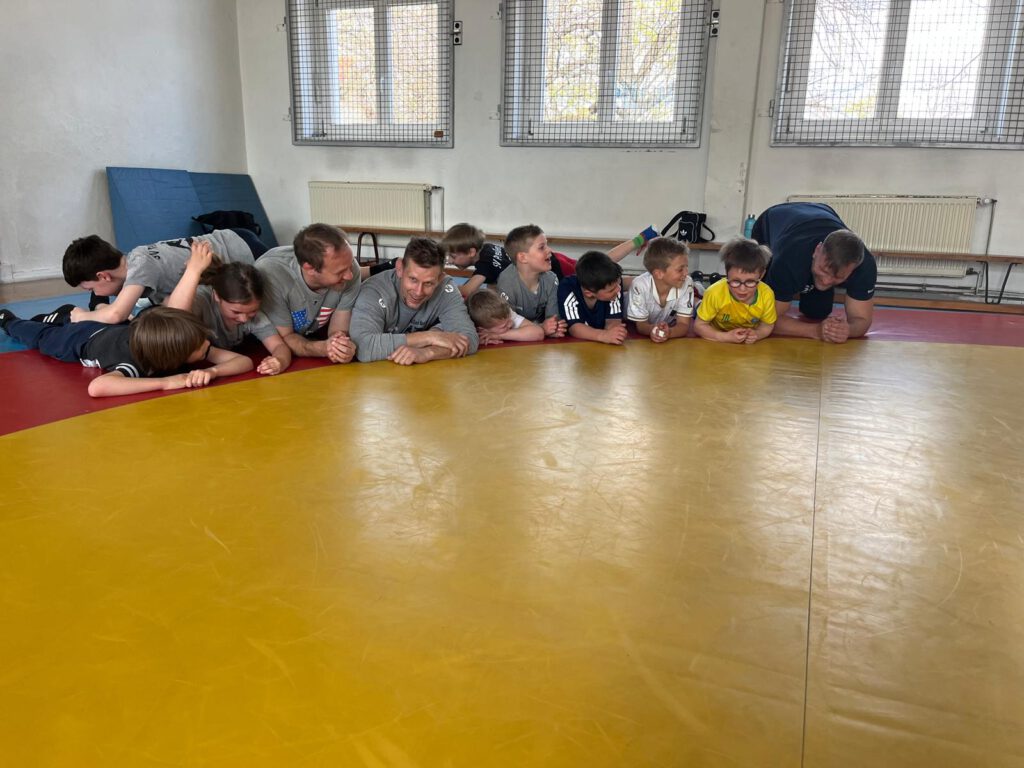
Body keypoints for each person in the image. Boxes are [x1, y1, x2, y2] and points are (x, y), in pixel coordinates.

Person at [0, 305, 253, 398]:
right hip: (77, 340)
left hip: (113, 329)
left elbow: (244, 362)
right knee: (41, 336)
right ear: (177, 355)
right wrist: (166, 382)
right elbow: (97, 387)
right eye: (200, 344)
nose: (207, 344)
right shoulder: (135, 363)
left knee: (76, 319)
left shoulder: (191, 344)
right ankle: (9, 320)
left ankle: (66, 314)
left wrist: (213, 371)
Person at [61, 229, 263, 325]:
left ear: (104, 276)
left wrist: (81, 316)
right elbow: (106, 301)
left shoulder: (140, 268)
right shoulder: (133, 258)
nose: (95, 293)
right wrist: (100, 307)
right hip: (234, 237)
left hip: (243, 249)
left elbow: (116, 315)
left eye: (91, 288)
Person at [752, 202, 877, 342]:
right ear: (817, 250)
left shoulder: (864, 265)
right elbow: (768, 321)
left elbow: (861, 320)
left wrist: (847, 330)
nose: (826, 281)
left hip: (821, 214)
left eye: (837, 277)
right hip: (773, 220)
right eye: (823, 270)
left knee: (818, 312)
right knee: (754, 311)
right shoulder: (789, 258)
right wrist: (815, 331)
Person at [164, 240, 292, 375]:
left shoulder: (253, 316)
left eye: (252, 311)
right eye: (236, 312)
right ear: (216, 296)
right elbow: (174, 320)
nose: (244, 319)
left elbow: (278, 345)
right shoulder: (202, 299)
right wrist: (193, 270)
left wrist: (280, 360)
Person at [349, 237, 479, 365]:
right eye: (413, 279)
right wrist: (430, 337)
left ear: (440, 278)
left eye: (428, 283)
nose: (418, 292)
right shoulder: (374, 290)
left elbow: (469, 339)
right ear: (400, 269)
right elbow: (364, 347)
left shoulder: (446, 289)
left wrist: (428, 353)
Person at [255, 224, 361, 364]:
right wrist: (324, 348)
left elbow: (338, 330)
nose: (349, 275)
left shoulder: (349, 268)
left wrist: (339, 347)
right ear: (310, 268)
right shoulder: (271, 275)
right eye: (340, 272)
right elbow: (285, 338)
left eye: (350, 265)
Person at [694, 237, 777, 344]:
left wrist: (757, 334)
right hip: (713, 321)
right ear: (727, 273)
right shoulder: (714, 293)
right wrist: (724, 337)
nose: (742, 289)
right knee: (698, 306)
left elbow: (767, 325)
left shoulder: (767, 294)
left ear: (761, 275)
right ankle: (697, 291)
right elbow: (699, 325)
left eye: (750, 282)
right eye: (736, 281)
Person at [626, 237, 695, 342]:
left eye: (686, 267)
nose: (686, 273)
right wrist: (654, 330)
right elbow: (641, 326)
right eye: (680, 269)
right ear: (659, 274)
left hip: (665, 323)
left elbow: (684, 325)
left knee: (695, 289)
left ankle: (697, 293)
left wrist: (669, 332)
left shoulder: (687, 282)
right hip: (629, 317)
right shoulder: (639, 285)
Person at [557, 251, 628, 346]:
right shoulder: (568, 288)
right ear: (589, 293)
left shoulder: (614, 287)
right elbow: (574, 327)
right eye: (611, 290)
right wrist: (603, 335)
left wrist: (615, 332)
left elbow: (613, 319)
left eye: (619, 284)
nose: (618, 289)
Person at [440, 223, 511, 298]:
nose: (450, 261)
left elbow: (466, 291)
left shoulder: (484, 265)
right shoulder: (487, 247)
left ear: (471, 252)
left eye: (453, 257)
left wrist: (444, 287)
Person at [466, 289, 544, 345]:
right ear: (482, 329)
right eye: (504, 326)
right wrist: (476, 341)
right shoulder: (466, 327)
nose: (511, 324)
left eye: (510, 318)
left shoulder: (505, 312)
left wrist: (499, 336)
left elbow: (538, 333)